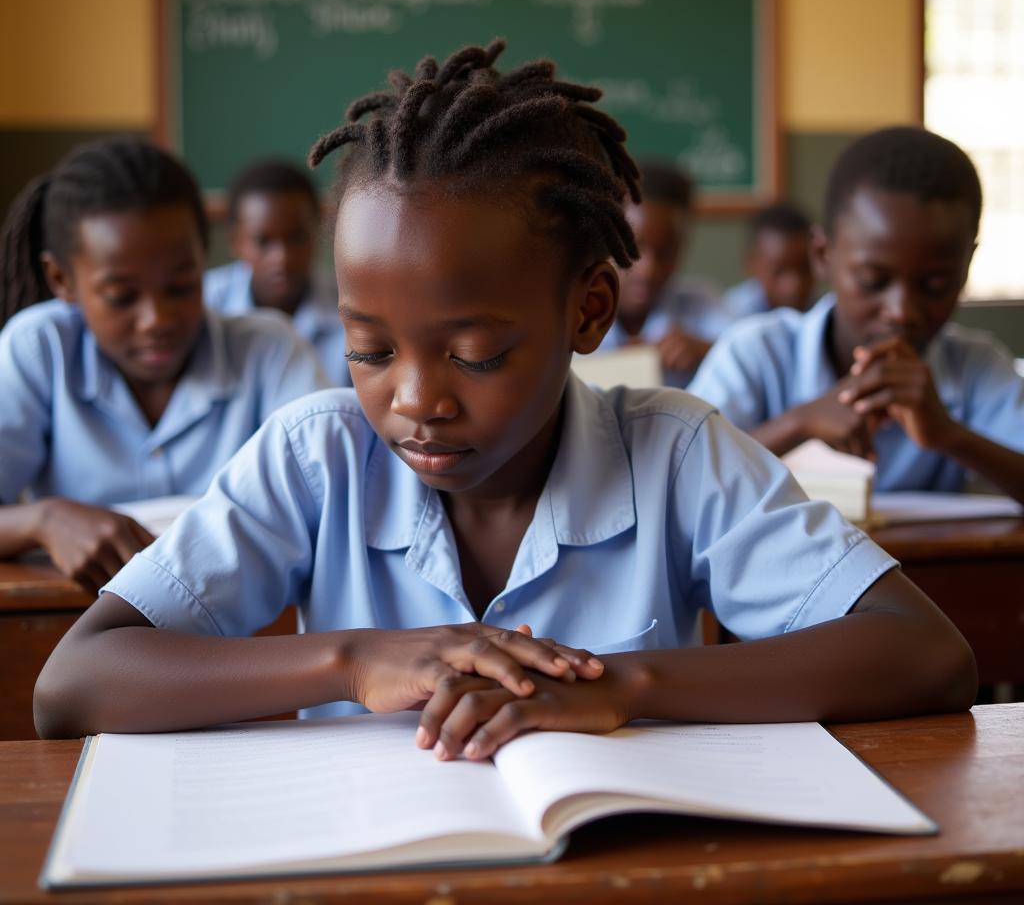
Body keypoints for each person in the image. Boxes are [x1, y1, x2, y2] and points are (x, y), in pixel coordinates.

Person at [35, 46, 975, 751]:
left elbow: (925, 653)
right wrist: (355, 661)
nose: (414, 400)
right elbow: (75, 681)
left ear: (589, 310)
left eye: (475, 354)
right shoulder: (315, 455)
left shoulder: (678, 453)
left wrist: (623, 687)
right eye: (369, 349)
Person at [0, 138, 328, 593]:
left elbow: (334, 499)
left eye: (180, 286)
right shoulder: (39, 348)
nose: (157, 320)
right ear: (62, 280)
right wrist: (44, 520)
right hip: (65, 627)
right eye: (121, 297)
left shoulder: (269, 350)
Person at [690, 126, 1024, 502]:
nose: (901, 312)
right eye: (873, 280)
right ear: (822, 256)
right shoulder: (755, 353)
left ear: (967, 266)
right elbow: (681, 483)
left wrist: (948, 435)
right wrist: (798, 423)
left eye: (935, 285)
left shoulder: (975, 368)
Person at [203, 159, 351, 386]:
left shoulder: (351, 307)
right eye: (263, 242)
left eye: (297, 237)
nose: (282, 257)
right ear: (235, 241)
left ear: (318, 230)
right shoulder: (206, 304)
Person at [597, 160, 732, 386]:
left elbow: (748, 353)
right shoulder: (572, 311)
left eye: (666, 253)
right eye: (633, 248)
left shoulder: (701, 305)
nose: (648, 269)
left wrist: (704, 350)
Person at [723, 201, 815, 317]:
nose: (794, 286)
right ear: (750, 263)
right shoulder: (731, 315)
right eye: (779, 271)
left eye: (805, 269)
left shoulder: (823, 311)